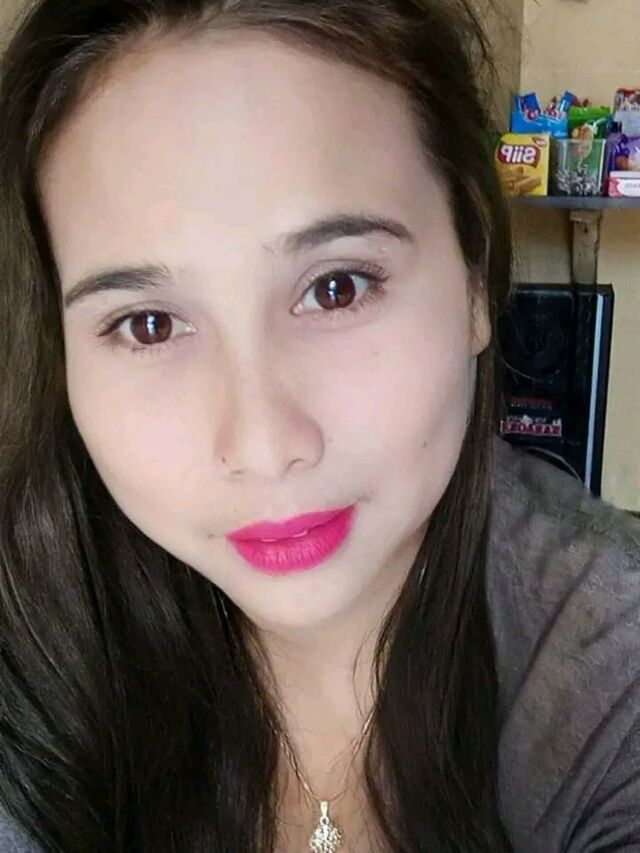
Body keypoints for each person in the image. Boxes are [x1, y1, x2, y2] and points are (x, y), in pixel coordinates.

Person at [0, 0, 638, 851]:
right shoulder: (31, 654)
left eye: (337, 287)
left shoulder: (609, 668)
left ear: (475, 281)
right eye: (149, 324)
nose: (265, 448)